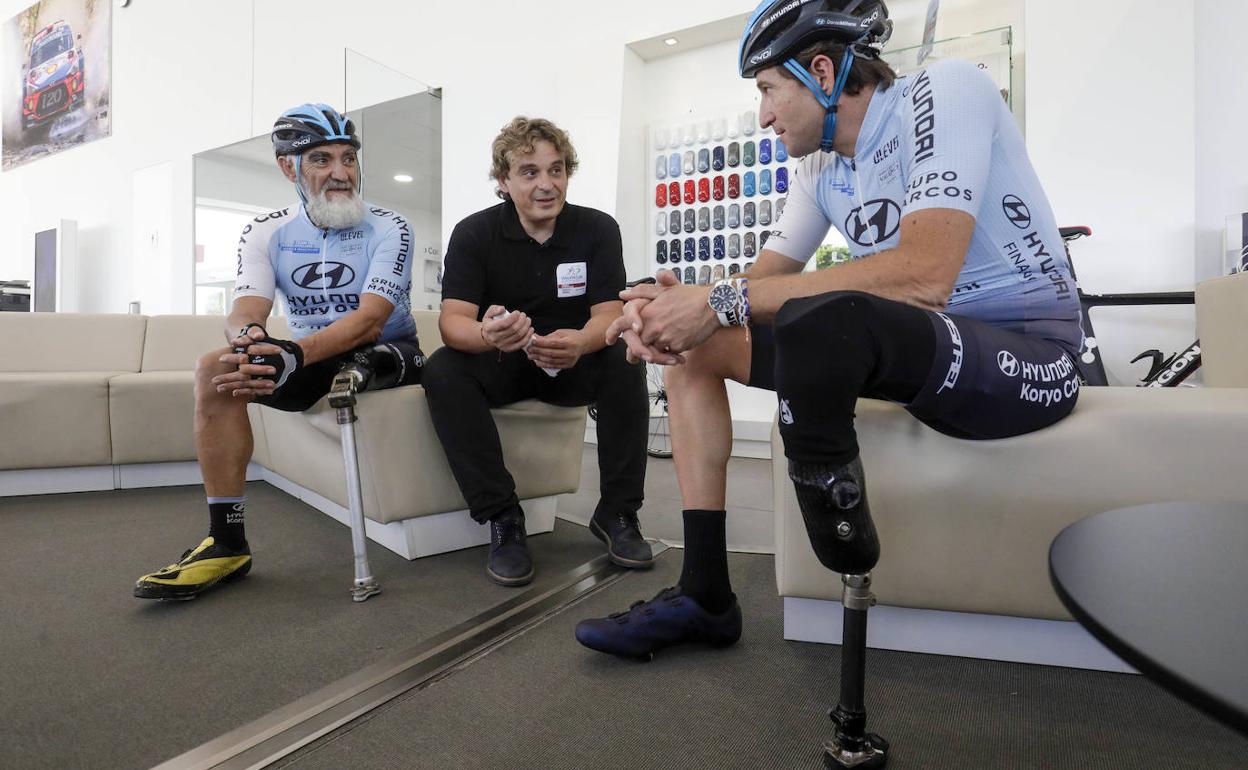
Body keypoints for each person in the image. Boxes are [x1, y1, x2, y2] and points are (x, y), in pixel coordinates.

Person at [575, 0, 1083, 658]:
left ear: (820, 70)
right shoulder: (818, 168)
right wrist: (677, 314)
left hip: (1030, 352)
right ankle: (704, 595)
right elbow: (755, 286)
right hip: (907, 347)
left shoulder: (945, 89)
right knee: (701, 349)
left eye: (767, 90)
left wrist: (722, 298)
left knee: (831, 319)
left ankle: (836, 528)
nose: (762, 115)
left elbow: (927, 274)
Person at [134, 103, 424, 600]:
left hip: (386, 350)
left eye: (348, 158)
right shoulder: (265, 231)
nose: (340, 172)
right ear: (288, 166)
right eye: (321, 160)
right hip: (307, 353)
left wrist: (290, 353)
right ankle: (226, 543)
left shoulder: (390, 226)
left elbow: (371, 318)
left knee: (356, 360)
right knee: (213, 370)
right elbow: (247, 307)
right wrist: (248, 340)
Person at [421, 116, 653, 587]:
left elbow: (609, 314)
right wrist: (488, 336)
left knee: (625, 356)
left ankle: (618, 513)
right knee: (444, 370)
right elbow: (453, 322)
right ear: (504, 181)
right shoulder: (474, 234)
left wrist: (583, 342)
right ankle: (503, 519)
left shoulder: (597, 229)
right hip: (505, 360)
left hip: (574, 361)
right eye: (529, 172)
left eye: (557, 169)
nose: (546, 184)